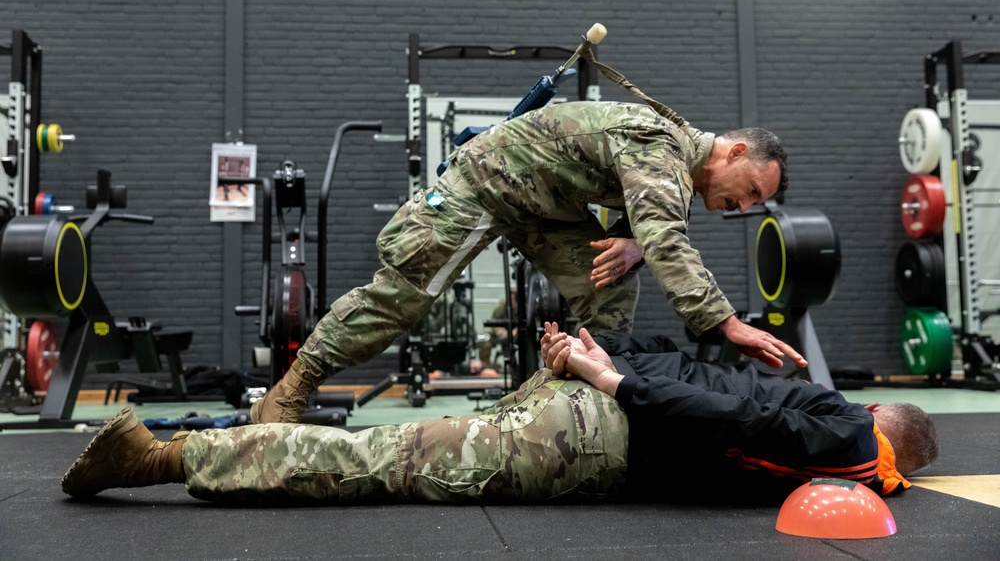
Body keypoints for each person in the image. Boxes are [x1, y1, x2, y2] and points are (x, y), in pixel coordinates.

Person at [253, 99, 803, 425]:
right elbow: (666, 234)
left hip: (547, 209)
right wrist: (728, 325)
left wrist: (635, 244)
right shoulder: (660, 143)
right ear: (733, 153)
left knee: (609, 284)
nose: (744, 207)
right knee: (403, 296)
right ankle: (292, 389)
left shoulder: (677, 171)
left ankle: (578, 408)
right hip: (487, 181)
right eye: (750, 190)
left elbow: (655, 225)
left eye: (755, 204)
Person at [61, 322, 937, 505]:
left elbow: (714, 392)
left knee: (385, 445)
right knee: (385, 460)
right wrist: (607, 375)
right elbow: (720, 415)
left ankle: (186, 451)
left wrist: (604, 365)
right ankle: (168, 458)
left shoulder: (835, 417)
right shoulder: (850, 442)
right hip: (594, 428)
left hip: (589, 405)